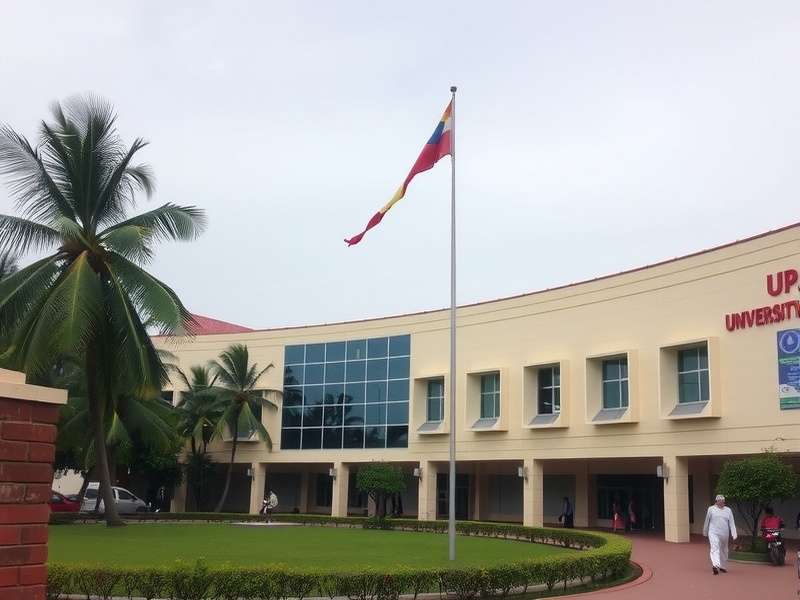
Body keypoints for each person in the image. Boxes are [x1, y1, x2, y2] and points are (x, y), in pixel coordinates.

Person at [703, 494, 737, 575]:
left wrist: (734, 533)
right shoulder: (711, 509)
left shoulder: (728, 510)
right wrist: (705, 531)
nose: (722, 503)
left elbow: (732, 522)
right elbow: (707, 521)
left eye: (723, 502)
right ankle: (715, 565)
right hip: (713, 532)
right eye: (720, 502)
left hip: (725, 533)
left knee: (724, 550)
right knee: (715, 547)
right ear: (716, 502)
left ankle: (722, 566)